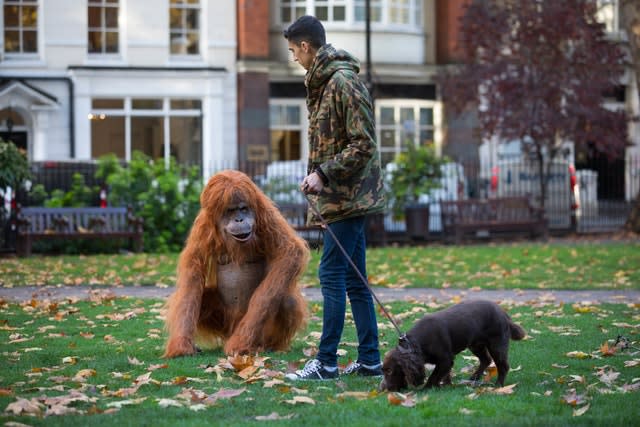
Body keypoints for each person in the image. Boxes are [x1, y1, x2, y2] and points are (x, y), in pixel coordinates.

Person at [283, 15, 386, 380]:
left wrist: (323, 173)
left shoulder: (343, 82)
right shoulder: (323, 84)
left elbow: (363, 145)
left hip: (351, 198)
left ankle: (326, 363)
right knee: (356, 280)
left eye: (295, 50)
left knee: (331, 274)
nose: (294, 57)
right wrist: (318, 176)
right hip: (341, 198)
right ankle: (371, 360)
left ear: (307, 47)